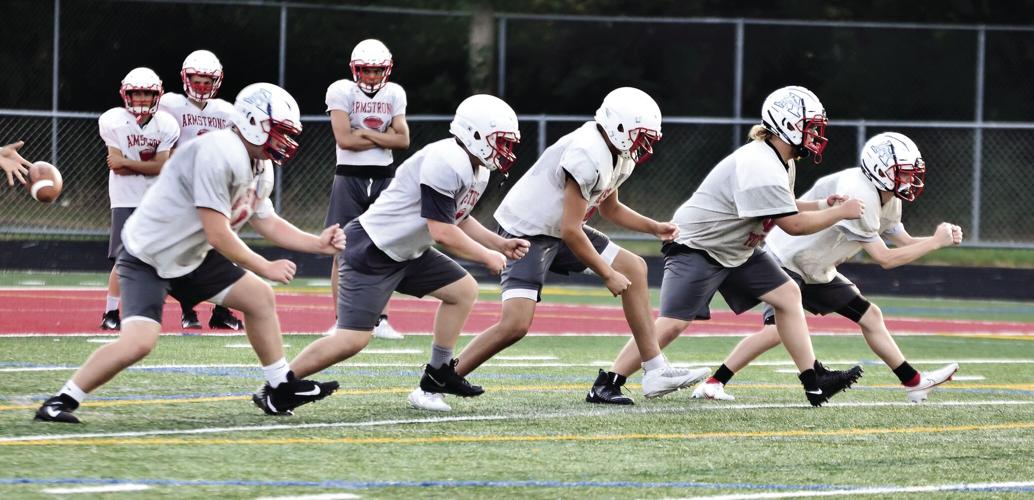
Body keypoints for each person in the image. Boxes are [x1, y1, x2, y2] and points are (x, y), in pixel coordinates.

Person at [35, 83, 343, 423]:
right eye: (278, 130)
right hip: (150, 256)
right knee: (138, 343)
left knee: (259, 298)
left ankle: (279, 387)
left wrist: (317, 243)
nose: (283, 140)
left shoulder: (258, 164)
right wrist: (263, 265)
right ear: (253, 122)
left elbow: (265, 219)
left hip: (192, 255)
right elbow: (217, 232)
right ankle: (60, 401)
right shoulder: (218, 153)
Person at [410, 87, 709, 413]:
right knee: (515, 325)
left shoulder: (618, 153)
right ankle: (433, 384)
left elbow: (609, 209)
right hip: (527, 231)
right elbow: (571, 230)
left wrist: (654, 227)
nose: (644, 145)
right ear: (620, 128)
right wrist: (607, 274)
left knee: (634, 268)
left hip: (558, 229)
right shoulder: (587, 153)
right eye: (641, 136)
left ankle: (655, 370)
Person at [588, 85, 866, 407]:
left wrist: (821, 205)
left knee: (789, 295)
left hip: (736, 249)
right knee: (674, 322)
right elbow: (794, 225)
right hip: (699, 246)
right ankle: (607, 383)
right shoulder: (760, 162)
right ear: (787, 124)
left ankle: (814, 380)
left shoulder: (780, 160)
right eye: (810, 127)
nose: (815, 134)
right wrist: (839, 213)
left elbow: (782, 204)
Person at [261, 94, 527, 415]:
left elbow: (458, 217)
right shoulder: (448, 160)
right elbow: (443, 232)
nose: (504, 150)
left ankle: (437, 375)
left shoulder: (476, 169)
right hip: (372, 249)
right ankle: (278, 387)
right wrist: (486, 255)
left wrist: (499, 244)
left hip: (405, 252)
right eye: (500, 141)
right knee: (352, 339)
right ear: (474, 134)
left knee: (463, 290)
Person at [692, 132, 961, 403]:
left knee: (870, 316)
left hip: (815, 265)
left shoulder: (888, 197)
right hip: (787, 257)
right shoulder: (860, 193)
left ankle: (914, 383)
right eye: (903, 173)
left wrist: (939, 239)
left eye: (910, 173)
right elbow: (885, 258)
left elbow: (904, 242)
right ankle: (714, 383)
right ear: (881, 169)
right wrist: (935, 243)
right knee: (775, 331)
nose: (909, 180)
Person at [323, 38, 410, 340]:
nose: (372, 76)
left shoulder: (394, 92)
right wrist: (383, 135)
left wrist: (363, 132)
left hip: (384, 176)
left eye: (377, 70)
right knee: (341, 248)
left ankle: (380, 319)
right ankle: (341, 320)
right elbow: (344, 140)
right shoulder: (340, 90)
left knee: (385, 247)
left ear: (386, 70)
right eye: (366, 70)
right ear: (355, 69)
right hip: (349, 176)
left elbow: (403, 140)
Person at [159, 49, 246, 331]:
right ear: (186, 78)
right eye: (197, 80)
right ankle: (189, 308)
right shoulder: (169, 105)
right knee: (185, 249)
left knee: (225, 245)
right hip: (181, 189)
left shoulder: (226, 111)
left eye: (207, 81)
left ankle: (222, 310)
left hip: (214, 189)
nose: (201, 86)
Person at [97, 67, 180, 331]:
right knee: (123, 258)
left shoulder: (166, 124)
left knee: (159, 257)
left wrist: (129, 163)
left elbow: (161, 166)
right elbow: (115, 164)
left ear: (157, 95)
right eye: (137, 93)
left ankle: (159, 309)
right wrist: (144, 166)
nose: (142, 98)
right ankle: (111, 312)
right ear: (126, 95)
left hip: (155, 199)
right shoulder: (114, 120)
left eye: (147, 93)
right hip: (124, 198)